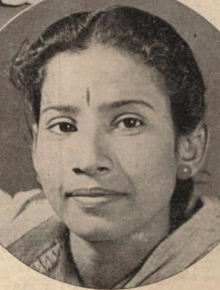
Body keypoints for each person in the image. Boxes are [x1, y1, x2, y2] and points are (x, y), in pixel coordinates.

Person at [1, 5, 220, 289]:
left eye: (129, 122)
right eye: (64, 126)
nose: (89, 160)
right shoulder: (16, 228)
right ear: (36, 147)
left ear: (189, 147)